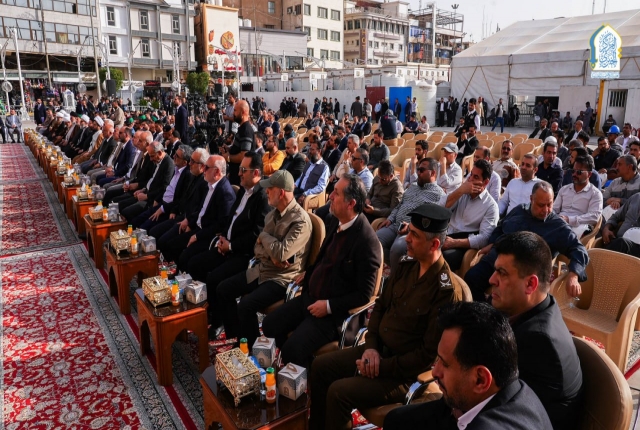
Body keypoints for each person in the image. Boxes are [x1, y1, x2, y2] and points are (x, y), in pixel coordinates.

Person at [309, 203, 461, 430]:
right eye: (409, 232)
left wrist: (381, 366)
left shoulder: (445, 291)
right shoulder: (407, 264)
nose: (407, 238)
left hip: (403, 375)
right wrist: (371, 348)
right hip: (377, 351)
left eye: (415, 235)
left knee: (338, 392)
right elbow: (380, 306)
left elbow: (426, 355)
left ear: (434, 244)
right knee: (320, 366)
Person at [262, 174, 382, 370]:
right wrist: (310, 274)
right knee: (269, 325)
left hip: (334, 315)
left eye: (336, 193)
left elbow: (364, 294)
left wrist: (328, 306)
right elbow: (323, 257)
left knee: (293, 349)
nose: (330, 196)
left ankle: (306, 376)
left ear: (351, 203)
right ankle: (299, 368)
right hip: (310, 298)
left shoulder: (367, 242)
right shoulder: (335, 220)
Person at [384, 301, 553, 430]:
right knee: (396, 419)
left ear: (480, 379)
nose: (435, 372)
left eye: (445, 364)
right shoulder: (518, 390)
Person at [488, 232, 583, 430]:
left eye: (502, 273)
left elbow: (508, 409)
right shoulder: (542, 305)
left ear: (531, 284)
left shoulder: (538, 341)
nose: (492, 279)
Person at [215, 169, 311, 346]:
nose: (266, 191)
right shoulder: (272, 214)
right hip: (263, 269)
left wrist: (264, 237)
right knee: (223, 289)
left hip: (282, 278)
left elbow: (280, 254)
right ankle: (238, 337)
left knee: (245, 305)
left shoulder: (300, 221)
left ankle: (250, 347)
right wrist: (271, 252)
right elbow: (257, 249)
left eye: (270, 188)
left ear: (281, 192)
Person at [464, 181, 588, 301]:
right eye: (541, 205)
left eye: (549, 204)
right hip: (496, 261)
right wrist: (492, 243)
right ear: (531, 199)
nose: (545, 210)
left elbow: (579, 249)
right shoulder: (519, 210)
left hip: (523, 274)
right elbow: (501, 227)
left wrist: (574, 275)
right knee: (471, 279)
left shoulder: (557, 226)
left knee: (503, 296)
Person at [156, 155, 235, 268]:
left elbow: (220, 225)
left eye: (206, 167)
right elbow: (200, 210)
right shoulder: (209, 184)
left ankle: (180, 274)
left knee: (185, 257)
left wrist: (197, 236)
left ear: (217, 171)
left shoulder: (225, 192)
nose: (203, 170)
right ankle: (174, 271)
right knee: (169, 243)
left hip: (208, 235)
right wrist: (189, 221)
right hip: (197, 227)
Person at [376, 158, 445, 274]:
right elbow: (399, 205)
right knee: (375, 241)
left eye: (421, 170)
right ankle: (395, 269)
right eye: (418, 169)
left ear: (433, 173)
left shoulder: (439, 195)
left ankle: (396, 279)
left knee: (397, 249)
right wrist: (390, 219)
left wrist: (410, 227)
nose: (418, 172)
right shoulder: (413, 186)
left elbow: (428, 219)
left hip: (412, 231)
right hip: (395, 224)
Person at [442, 160, 499, 271]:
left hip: (463, 243)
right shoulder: (462, 192)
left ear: (485, 182)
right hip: (446, 234)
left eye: (476, 177)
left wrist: (454, 243)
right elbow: (442, 208)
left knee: (444, 258)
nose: (470, 179)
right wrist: (459, 191)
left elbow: (485, 238)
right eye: (471, 174)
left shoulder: (491, 206)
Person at [130, 145, 193, 229]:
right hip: (161, 203)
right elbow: (167, 189)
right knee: (136, 221)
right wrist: (157, 199)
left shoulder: (187, 175)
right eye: (175, 154)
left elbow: (180, 199)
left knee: (145, 228)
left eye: (177, 156)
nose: (173, 156)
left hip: (168, 209)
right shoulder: (176, 169)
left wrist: (164, 208)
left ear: (185, 162)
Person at [554, 155, 603, 229]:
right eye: (573, 171)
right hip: (559, 223)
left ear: (589, 174)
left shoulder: (595, 194)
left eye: (579, 172)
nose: (574, 174)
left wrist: (569, 220)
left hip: (578, 227)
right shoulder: (564, 189)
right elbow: (554, 209)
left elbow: (594, 217)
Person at [602, 193, 640, 257]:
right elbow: (615, 217)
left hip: (636, 250)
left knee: (620, 243)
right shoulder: (636, 197)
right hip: (618, 241)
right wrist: (606, 229)